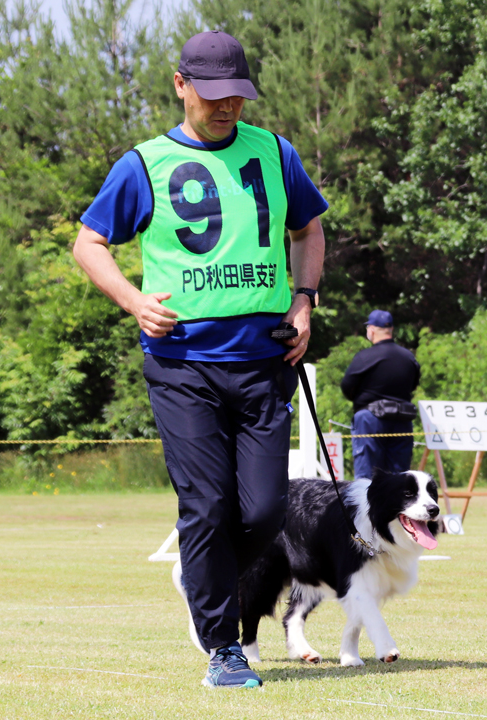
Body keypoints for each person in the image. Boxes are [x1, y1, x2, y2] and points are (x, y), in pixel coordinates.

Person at [72, 30, 327, 689]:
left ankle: (201, 571)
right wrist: (133, 300)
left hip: (265, 361)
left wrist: (303, 301)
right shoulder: (144, 163)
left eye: (237, 96)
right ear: (180, 85)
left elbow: (309, 229)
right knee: (208, 507)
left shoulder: (274, 151)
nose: (226, 107)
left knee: (266, 512)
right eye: (213, 95)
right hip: (182, 364)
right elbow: (89, 243)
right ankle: (224, 648)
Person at [341, 310, 421, 480]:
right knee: (399, 479)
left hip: (370, 420)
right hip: (402, 420)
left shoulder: (365, 356)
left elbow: (347, 386)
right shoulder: (408, 357)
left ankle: (365, 507)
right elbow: (413, 385)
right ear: (391, 330)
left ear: (371, 329)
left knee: (367, 478)